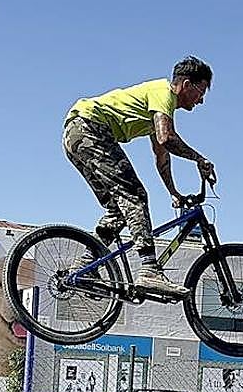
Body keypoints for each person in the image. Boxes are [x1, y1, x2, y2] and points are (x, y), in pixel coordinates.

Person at [64, 56, 217, 297]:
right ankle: (149, 270)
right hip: (89, 128)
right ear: (187, 85)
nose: (202, 100)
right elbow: (168, 138)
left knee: (119, 210)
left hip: (76, 136)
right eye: (202, 91)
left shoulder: (158, 111)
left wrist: (173, 193)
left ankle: (84, 266)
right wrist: (200, 159)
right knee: (135, 196)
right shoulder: (163, 93)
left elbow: (162, 156)